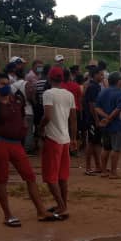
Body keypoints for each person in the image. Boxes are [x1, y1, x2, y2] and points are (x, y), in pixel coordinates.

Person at [0, 73, 59, 227]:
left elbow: (22, 118)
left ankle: (41, 211)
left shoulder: (16, 102)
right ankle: (8, 215)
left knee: (30, 177)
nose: (5, 86)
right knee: (2, 179)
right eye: (2, 84)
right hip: (2, 143)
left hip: (15, 144)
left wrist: (21, 128)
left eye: (7, 83)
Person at [40, 66, 76, 217]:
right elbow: (73, 119)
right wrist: (74, 138)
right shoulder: (69, 94)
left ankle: (62, 207)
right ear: (62, 79)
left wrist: (39, 128)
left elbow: (47, 116)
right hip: (65, 138)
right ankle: (63, 205)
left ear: (49, 78)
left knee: (50, 176)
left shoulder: (48, 93)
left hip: (52, 138)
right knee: (62, 176)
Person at [95, 71, 121, 178]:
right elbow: (119, 108)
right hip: (117, 125)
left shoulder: (103, 92)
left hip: (106, 126)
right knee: (116, 149)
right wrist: (109, 118)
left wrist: (105, 118)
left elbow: (97, 108)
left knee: (106, 148)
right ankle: (113, 172)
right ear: (119, 81)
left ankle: (104, 171)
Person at [82, 66, 105, 175]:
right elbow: (92, 105)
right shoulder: (93, 87)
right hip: (92, 119)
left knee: (96, 142)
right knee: (91, 142)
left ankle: (98, 166)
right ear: (95, 75)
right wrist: (96, 119)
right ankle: (87, 167)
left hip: (94, 118)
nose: (102, 76)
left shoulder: (95, 86)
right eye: (101, 74)